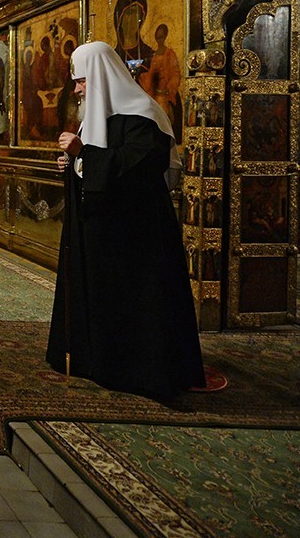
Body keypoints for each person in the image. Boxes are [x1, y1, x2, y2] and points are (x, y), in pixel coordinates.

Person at [46, 41, 205, 399]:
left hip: (135, 234)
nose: (77, 90)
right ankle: (92, 359)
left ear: (100, 76)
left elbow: (138, 169)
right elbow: (92, 164)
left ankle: (130, 368)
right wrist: (73, 163)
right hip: (98, 231)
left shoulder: (144, 116)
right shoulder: (96, 117)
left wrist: (84, 154)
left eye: (81, 81)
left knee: (135, 304)